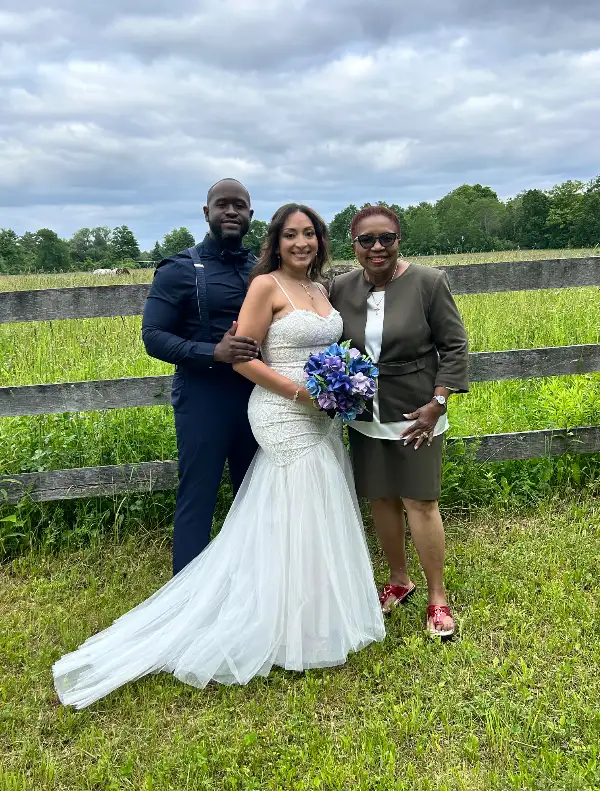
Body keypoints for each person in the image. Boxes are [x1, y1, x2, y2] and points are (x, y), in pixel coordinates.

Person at [52, 204, 384, 709]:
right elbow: (243, 360)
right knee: (295, 500)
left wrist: (342, 384)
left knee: (316, 506)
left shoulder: (321, 289)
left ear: (320, 240)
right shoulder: (265, 286)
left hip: (322, 414)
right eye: (291, 235)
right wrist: (302, 394)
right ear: (276, 242)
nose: (301, 242)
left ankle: (315, 615)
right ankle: (275, 621)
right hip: (282, 410)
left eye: (310, 234)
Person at [329, 205, 469, 638]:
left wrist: (438, 402)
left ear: (398, 240)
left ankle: (438, 597)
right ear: (353, 244)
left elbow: (455, 345)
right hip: (364, 412)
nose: (377, 247)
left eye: (386, 238)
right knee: (381, 497)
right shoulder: (340, 288)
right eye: (366, 240)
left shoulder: (429, 282)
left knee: (420, 501)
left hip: (417, 412)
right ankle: (398, 580)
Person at [141, 179, 260, 574]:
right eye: (222, 204)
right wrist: (213, 352)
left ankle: (250, 580)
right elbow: (153, 335)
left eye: (239, 205)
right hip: (203, 398)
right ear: (206, 212)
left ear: (250, 215)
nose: (231, 211)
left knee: (254, 493)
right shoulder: (178, 269)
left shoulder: (263, 269)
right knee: (198, 494)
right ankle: (187, 589)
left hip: (259, 397)